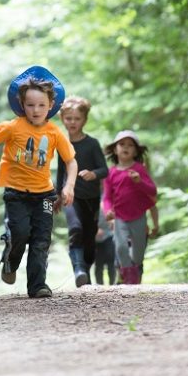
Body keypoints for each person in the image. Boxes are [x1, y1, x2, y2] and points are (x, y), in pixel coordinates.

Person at [0, 66, 77, 299]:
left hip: (44, 195)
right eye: (30, 105)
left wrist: (69, 186)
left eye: (41, 105)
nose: (36, 110)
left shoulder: (54, 133)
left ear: (50, 105)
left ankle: (37, 285)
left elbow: (71, 162)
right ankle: (11, 259)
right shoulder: (13, 127)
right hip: (16, 194)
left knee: (42, 239)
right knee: (20, 232)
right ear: (22, 105)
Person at [56, 96, 108, 287]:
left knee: (89, 240)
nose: (72, 122)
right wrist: (57, 195)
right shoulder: (62, 143)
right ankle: (78, 270)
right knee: (75, 229)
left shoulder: (92, 144)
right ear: (62, 118)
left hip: (92, 197)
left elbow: (105, 170)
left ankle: (85, 271)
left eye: (77, 119)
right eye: (68, 118)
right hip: (71, 196)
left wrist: (93, 174)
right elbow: (61, 172)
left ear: (84, 120)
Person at [102, 129, 157, 285]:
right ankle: (129, 276)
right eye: (121, 144)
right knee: (120, 248)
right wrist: (108, 212)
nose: (125, 147)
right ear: (115, 149)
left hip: (138, 216)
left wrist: (140, 181)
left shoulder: (139, 169)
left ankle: (133, 268)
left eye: (130, 145)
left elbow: (152, 191)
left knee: (138, 254)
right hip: (119, 217)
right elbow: (106, 197)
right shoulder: (110, 173)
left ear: (136, 151)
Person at [94, 203, 116, 286]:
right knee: (99, 263)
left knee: (111, 260)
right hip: (96, 240)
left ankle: (112, 284)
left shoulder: (108, 200)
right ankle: (99, 285)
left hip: (109, 236)